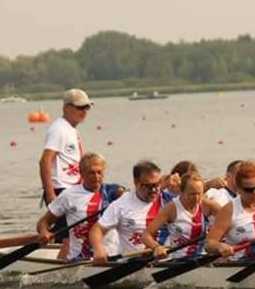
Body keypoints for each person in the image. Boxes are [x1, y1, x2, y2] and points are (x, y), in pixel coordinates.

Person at [36, 152, 124, 260]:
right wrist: (44, 232)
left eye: (99, 172)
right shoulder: (68, 195)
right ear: (81, 173)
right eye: (91, 173)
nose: (96, 177)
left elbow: (129, 195)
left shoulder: (112, 191)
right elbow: (43, 222)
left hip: (113, 257)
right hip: (80, 259)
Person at [39, 88, 92, 255]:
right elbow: (45, 161)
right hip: (60, 190)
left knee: (70, 231)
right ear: (66, 108)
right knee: (69, 234)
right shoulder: (59, 129)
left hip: (72, 190)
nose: (84, 111)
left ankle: (53, 244)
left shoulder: (71, 129)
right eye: (80, 107)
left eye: (87, 107)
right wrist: (50, 195)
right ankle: (60, 263)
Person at [88, 160, 162, 264]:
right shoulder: (121, 204)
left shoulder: (167, 199)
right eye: (149, 186)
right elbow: (97, 230)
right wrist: (99, 250)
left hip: (166, 258)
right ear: (136, 183)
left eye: (157, 184)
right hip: (133, 261)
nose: (154, 190)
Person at [143, 171, 215, 259]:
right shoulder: (171, 208)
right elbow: (146, 235)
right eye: (192, 194)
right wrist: (156, 247)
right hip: (177, 259)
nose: (196, 198)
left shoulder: (207, 205)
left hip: (200, 257)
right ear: (181, 191)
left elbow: (230, 220)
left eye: (199, 193)